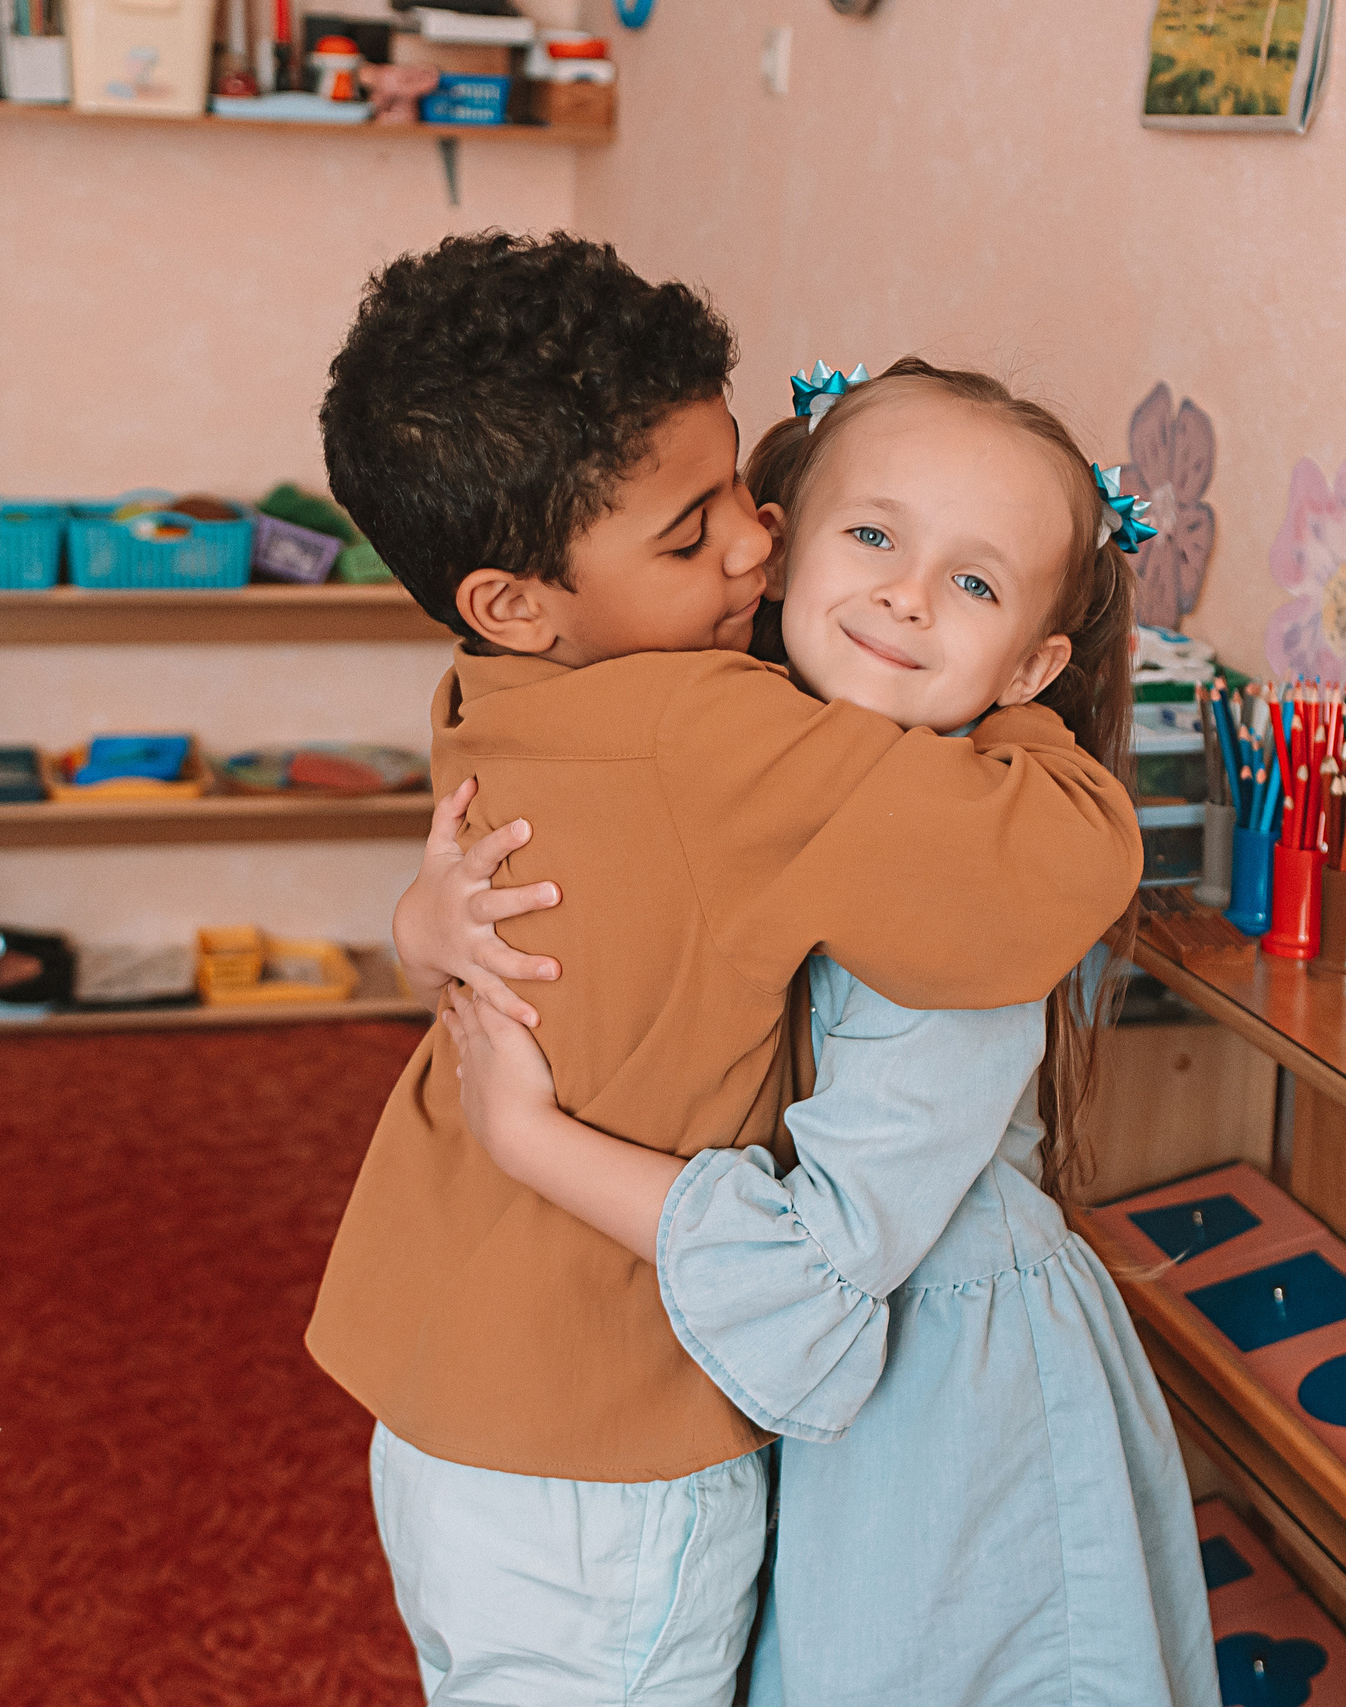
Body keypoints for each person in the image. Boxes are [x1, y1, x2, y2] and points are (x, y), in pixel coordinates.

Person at [303, 235, 1141, 1707]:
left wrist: (411, 928)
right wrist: (1026, 715)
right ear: (515, 595)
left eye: (752, 498)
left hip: (438, 1380)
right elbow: (1064, 869)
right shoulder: (720, 735)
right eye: (696, 540)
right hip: (604, 1433)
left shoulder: (500, 679)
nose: (754, 549)